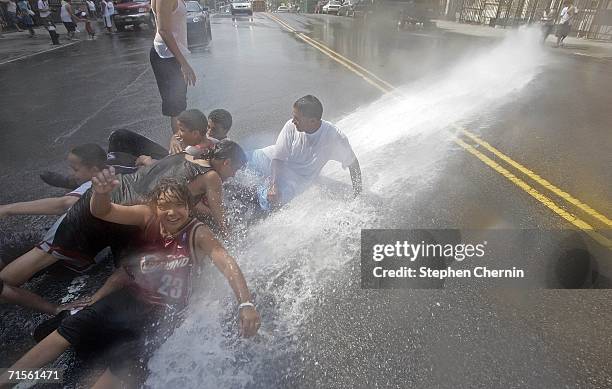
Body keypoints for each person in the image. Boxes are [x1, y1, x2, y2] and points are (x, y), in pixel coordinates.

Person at [0, 178, 261, 388]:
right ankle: (9, 378)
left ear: (189, 207)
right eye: (164, 206)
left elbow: (225, 261)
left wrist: (245, 303)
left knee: (122, 368)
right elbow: (104, 211)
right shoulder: (147, 216)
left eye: (179, 205)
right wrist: (101, 193)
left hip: (164, 313)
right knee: (71, 327)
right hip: (131, 297)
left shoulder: (197, 233)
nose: (172, 213)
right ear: (155, 206)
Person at [0, 140, 247, 289]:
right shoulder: (212, 177)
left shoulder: (185, 155)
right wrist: (232, 239)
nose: (234, 174)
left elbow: (183, 197)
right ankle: (5, 286)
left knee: (59, 255)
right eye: (235, 168)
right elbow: (219, 215)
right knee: (46, 255)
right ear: (226, 163)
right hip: (118, 207)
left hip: (116, 197)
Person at [248, 95, 362, 210]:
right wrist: (273, 185)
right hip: (269, 159)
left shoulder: (334, 138)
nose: (293, 121)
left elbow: (353, 164)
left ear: (312, 121)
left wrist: (358, 196)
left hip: (294, 179)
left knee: (271, 201)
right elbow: (278, 159)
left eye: (297, 118)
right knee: (236, 158)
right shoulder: (291, 126)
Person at [150, 0, 197, 146]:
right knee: (176, 107)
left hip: (171, 54)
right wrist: (183, 63)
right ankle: (179, 149)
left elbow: (160, 25)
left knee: (179, 104)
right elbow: (163, 29)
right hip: (167, 56)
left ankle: (182, 146)